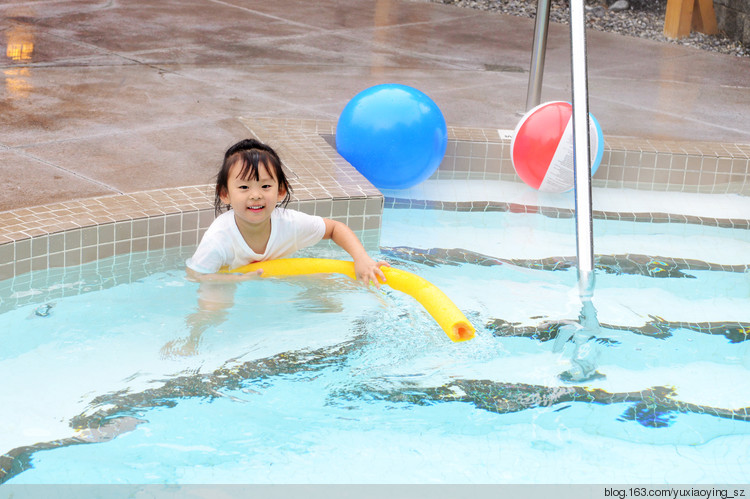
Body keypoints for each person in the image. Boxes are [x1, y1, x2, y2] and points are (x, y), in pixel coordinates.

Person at [162, 138, 389, 357]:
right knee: (213, 308)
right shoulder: (219, 238)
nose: (256, 194)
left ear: (281, 191)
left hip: (280, 272)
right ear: (225, 194)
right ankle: (191, 342)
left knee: (327, 286)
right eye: (243, 186)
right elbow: (195, 276)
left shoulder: (289, 223)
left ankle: (344, 327)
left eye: (265, 185)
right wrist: (237, 280)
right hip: (227, 277)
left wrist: (362, 259)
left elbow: (335, 229)